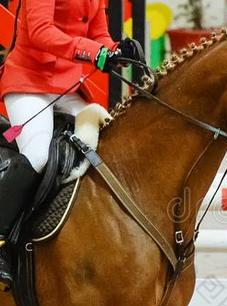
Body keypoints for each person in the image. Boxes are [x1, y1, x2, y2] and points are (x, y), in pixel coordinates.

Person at [0, 0, 141, 291]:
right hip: (29, 82)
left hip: (68, 86)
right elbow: (40, 32)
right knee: (39, 154)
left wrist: (115, 51)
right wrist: (93, 52)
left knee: (107, 145)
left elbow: (98, 34)